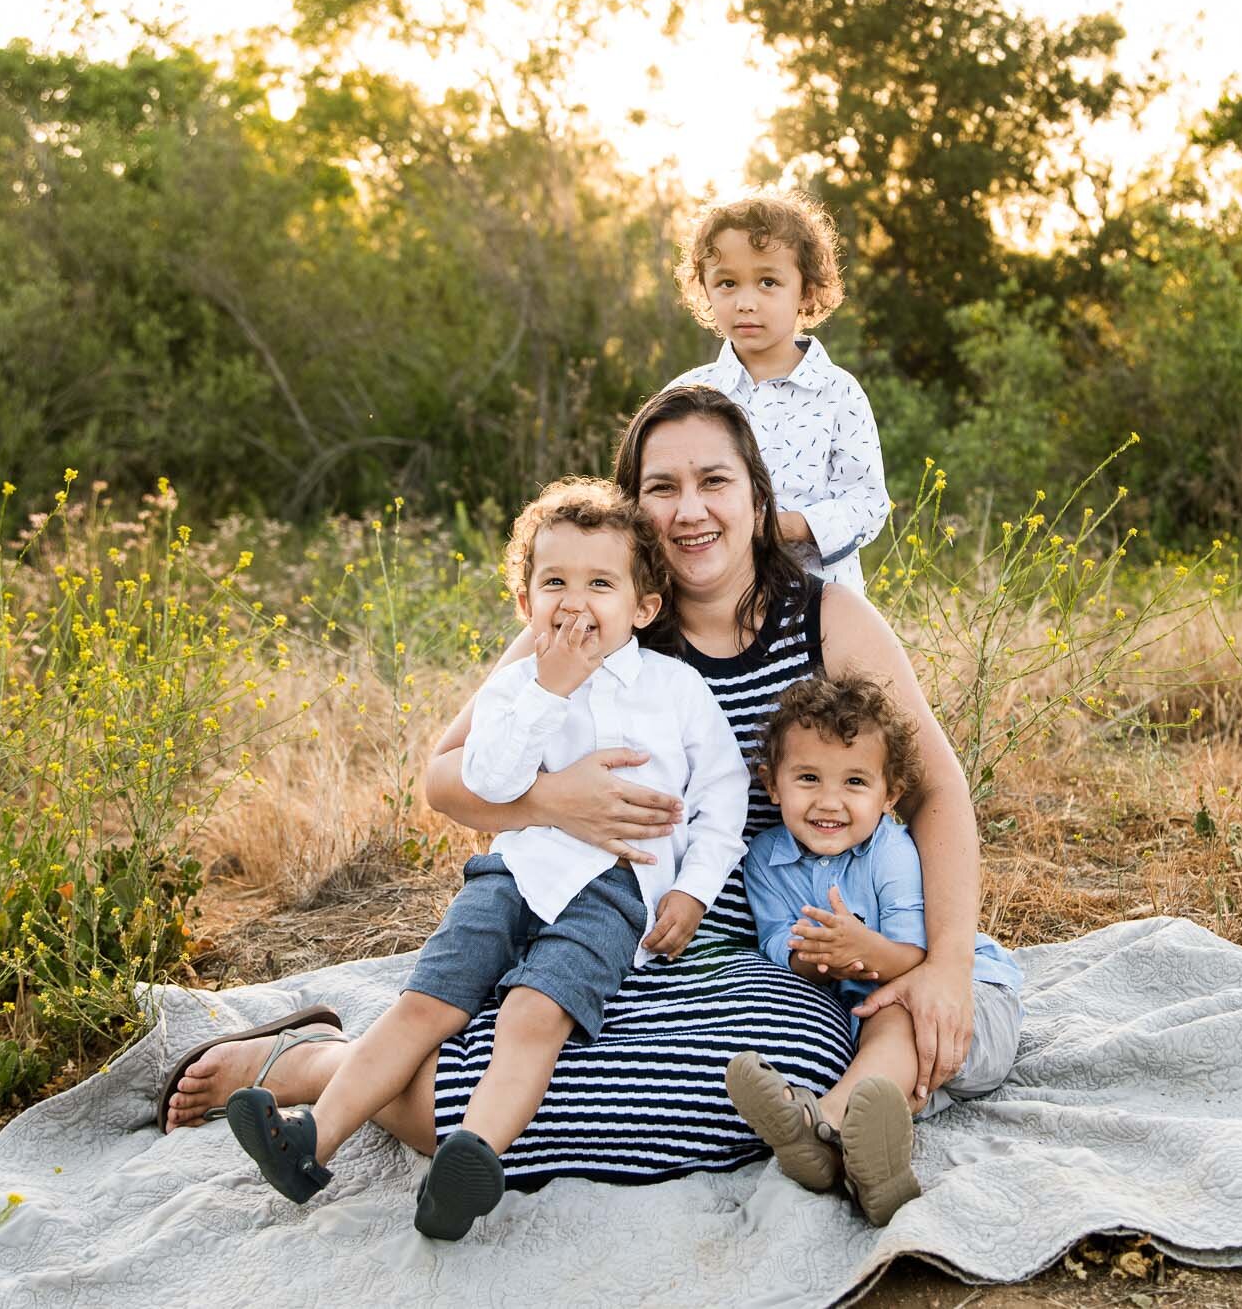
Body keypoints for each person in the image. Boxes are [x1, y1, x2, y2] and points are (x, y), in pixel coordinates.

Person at [157, 385, 980, 1209]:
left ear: (758, 497)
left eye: (715, 482)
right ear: (634, 510)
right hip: (591, 924)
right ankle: (310, 1064)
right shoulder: (589, 612)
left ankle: (358, 1076)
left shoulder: (827, 619)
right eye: (662, 488)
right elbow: (445, 779)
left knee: (790, 1070)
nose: (690, 510)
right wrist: (554, 801)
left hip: (745, 952)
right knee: (472, 1094)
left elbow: (936, 789)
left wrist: (946, 962)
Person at [216, 479, 748, 1239]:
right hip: (512, 872)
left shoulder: (678, 689)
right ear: (526, 601)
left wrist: (692, 892)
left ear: (644, 606)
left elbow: (723, 801)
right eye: (553, 582)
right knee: (425, 1003)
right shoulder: (518, 685)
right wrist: (549, 688)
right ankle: (310, 1140)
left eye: (600, 583)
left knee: (536, 1015)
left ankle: (469, 1158)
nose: (575, 600)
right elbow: (487, 778)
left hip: (615, 889)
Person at [726, 674, 1023, 1226]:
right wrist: (811, 958)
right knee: (882, 1066)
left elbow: (916, 959)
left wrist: (860, 950)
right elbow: (776, 944)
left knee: (892, 1015)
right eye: (808, 778)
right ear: (772, 784)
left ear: (889, 795)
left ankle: (821, 1121)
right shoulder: (765, 860)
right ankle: (871, 1169)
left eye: (855, 782)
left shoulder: (890, 850)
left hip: (967, 1002)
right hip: (888, 1034)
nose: (829, 802)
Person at [667, 191, 887, 592]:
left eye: (768, 282)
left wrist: (792, 526)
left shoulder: (839, 393)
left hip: (815, 602)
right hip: (711, 605)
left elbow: (867, 502)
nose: (746, 302)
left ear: (805, 291)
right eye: (727, 283)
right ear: (705, 289)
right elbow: (655, 489)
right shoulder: (687, 394)